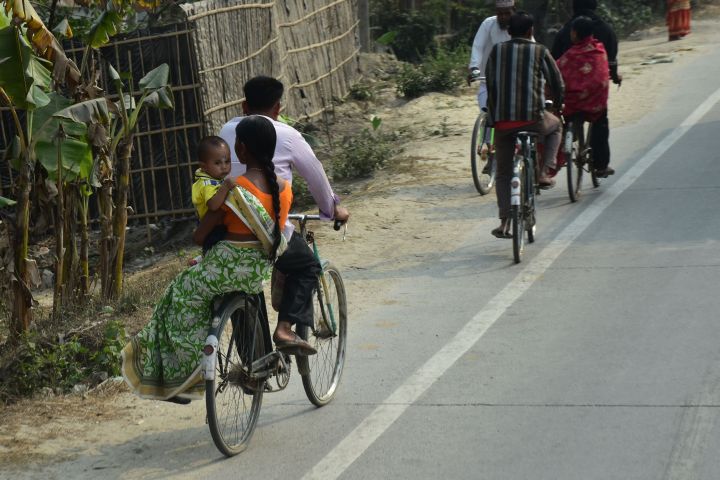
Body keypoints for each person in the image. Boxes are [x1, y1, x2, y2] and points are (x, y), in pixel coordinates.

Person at [122, 116, 293, 403]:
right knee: (224, 291)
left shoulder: (231, 188)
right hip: (253, 274)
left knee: (176, 298)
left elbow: (200, 237)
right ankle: (257, 362)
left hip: (221, 272)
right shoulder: (284, 190)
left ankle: (181, 376)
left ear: (240, 149)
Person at [218, 76, 350, 356]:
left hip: (226, 231)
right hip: (268, 233)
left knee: (240, 284)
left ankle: (253, 363)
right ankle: (285, 328)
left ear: (244, 105)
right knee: (307, 265)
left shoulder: (226, 130)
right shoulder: (287, 135)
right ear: (277, 108)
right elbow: (316, 178)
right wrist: (332, 209)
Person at [485, 11, 564, 239]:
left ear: (509, 31)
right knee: (556, 126)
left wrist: (494, 115)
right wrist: (557, 104)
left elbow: (490, 85)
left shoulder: (497, 50)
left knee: (503, 172)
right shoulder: (539, 50)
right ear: (530, 31)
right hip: (533, 120)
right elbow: (557, 83)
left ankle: (504, 222)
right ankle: (544, 171)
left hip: (502, 123)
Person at [551, 0, 620, 178]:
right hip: (594, 97)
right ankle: (600, 165)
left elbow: (554, 62)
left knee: (563, 116)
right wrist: (614, 74)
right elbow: (610, 61)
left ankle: (566, 138)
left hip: (571, 97)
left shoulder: (565, 31)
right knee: (600, 120)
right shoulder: (605, 31)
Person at [556, 17, 610, 124]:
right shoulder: (599, 49)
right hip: (597, 102)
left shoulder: (570, 55)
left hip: (573, 104)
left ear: (575, 33)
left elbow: (555, 71)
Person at [468, 0, 515, 111]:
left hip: (513, 82)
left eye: (507, 13)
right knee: (486, 115)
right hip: (488, 81)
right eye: (500, 14)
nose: (503, 17)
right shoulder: (488, 24)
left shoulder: (520, 24)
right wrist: (474, 67)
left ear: (514, 11)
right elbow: (478, 47)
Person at [191, 136, 234, 253]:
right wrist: (225, 187)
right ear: (204, 166)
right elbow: (213, 206)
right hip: (213, 229)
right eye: (217, 163)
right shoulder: (207, 184)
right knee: (215, 253)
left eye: (227, 161)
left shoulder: (212, 178)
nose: (224, 166)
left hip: (216, 225)